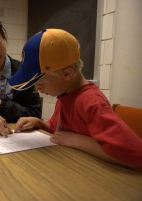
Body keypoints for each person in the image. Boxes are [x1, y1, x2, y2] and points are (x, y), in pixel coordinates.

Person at [8, 28, 142, 171]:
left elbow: (137, 157)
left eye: (40, 83)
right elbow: (58, 132)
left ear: (67, 74)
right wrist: (40, 124)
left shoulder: (91, 102)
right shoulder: (64, 95)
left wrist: (77, 141)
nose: (36, 89)